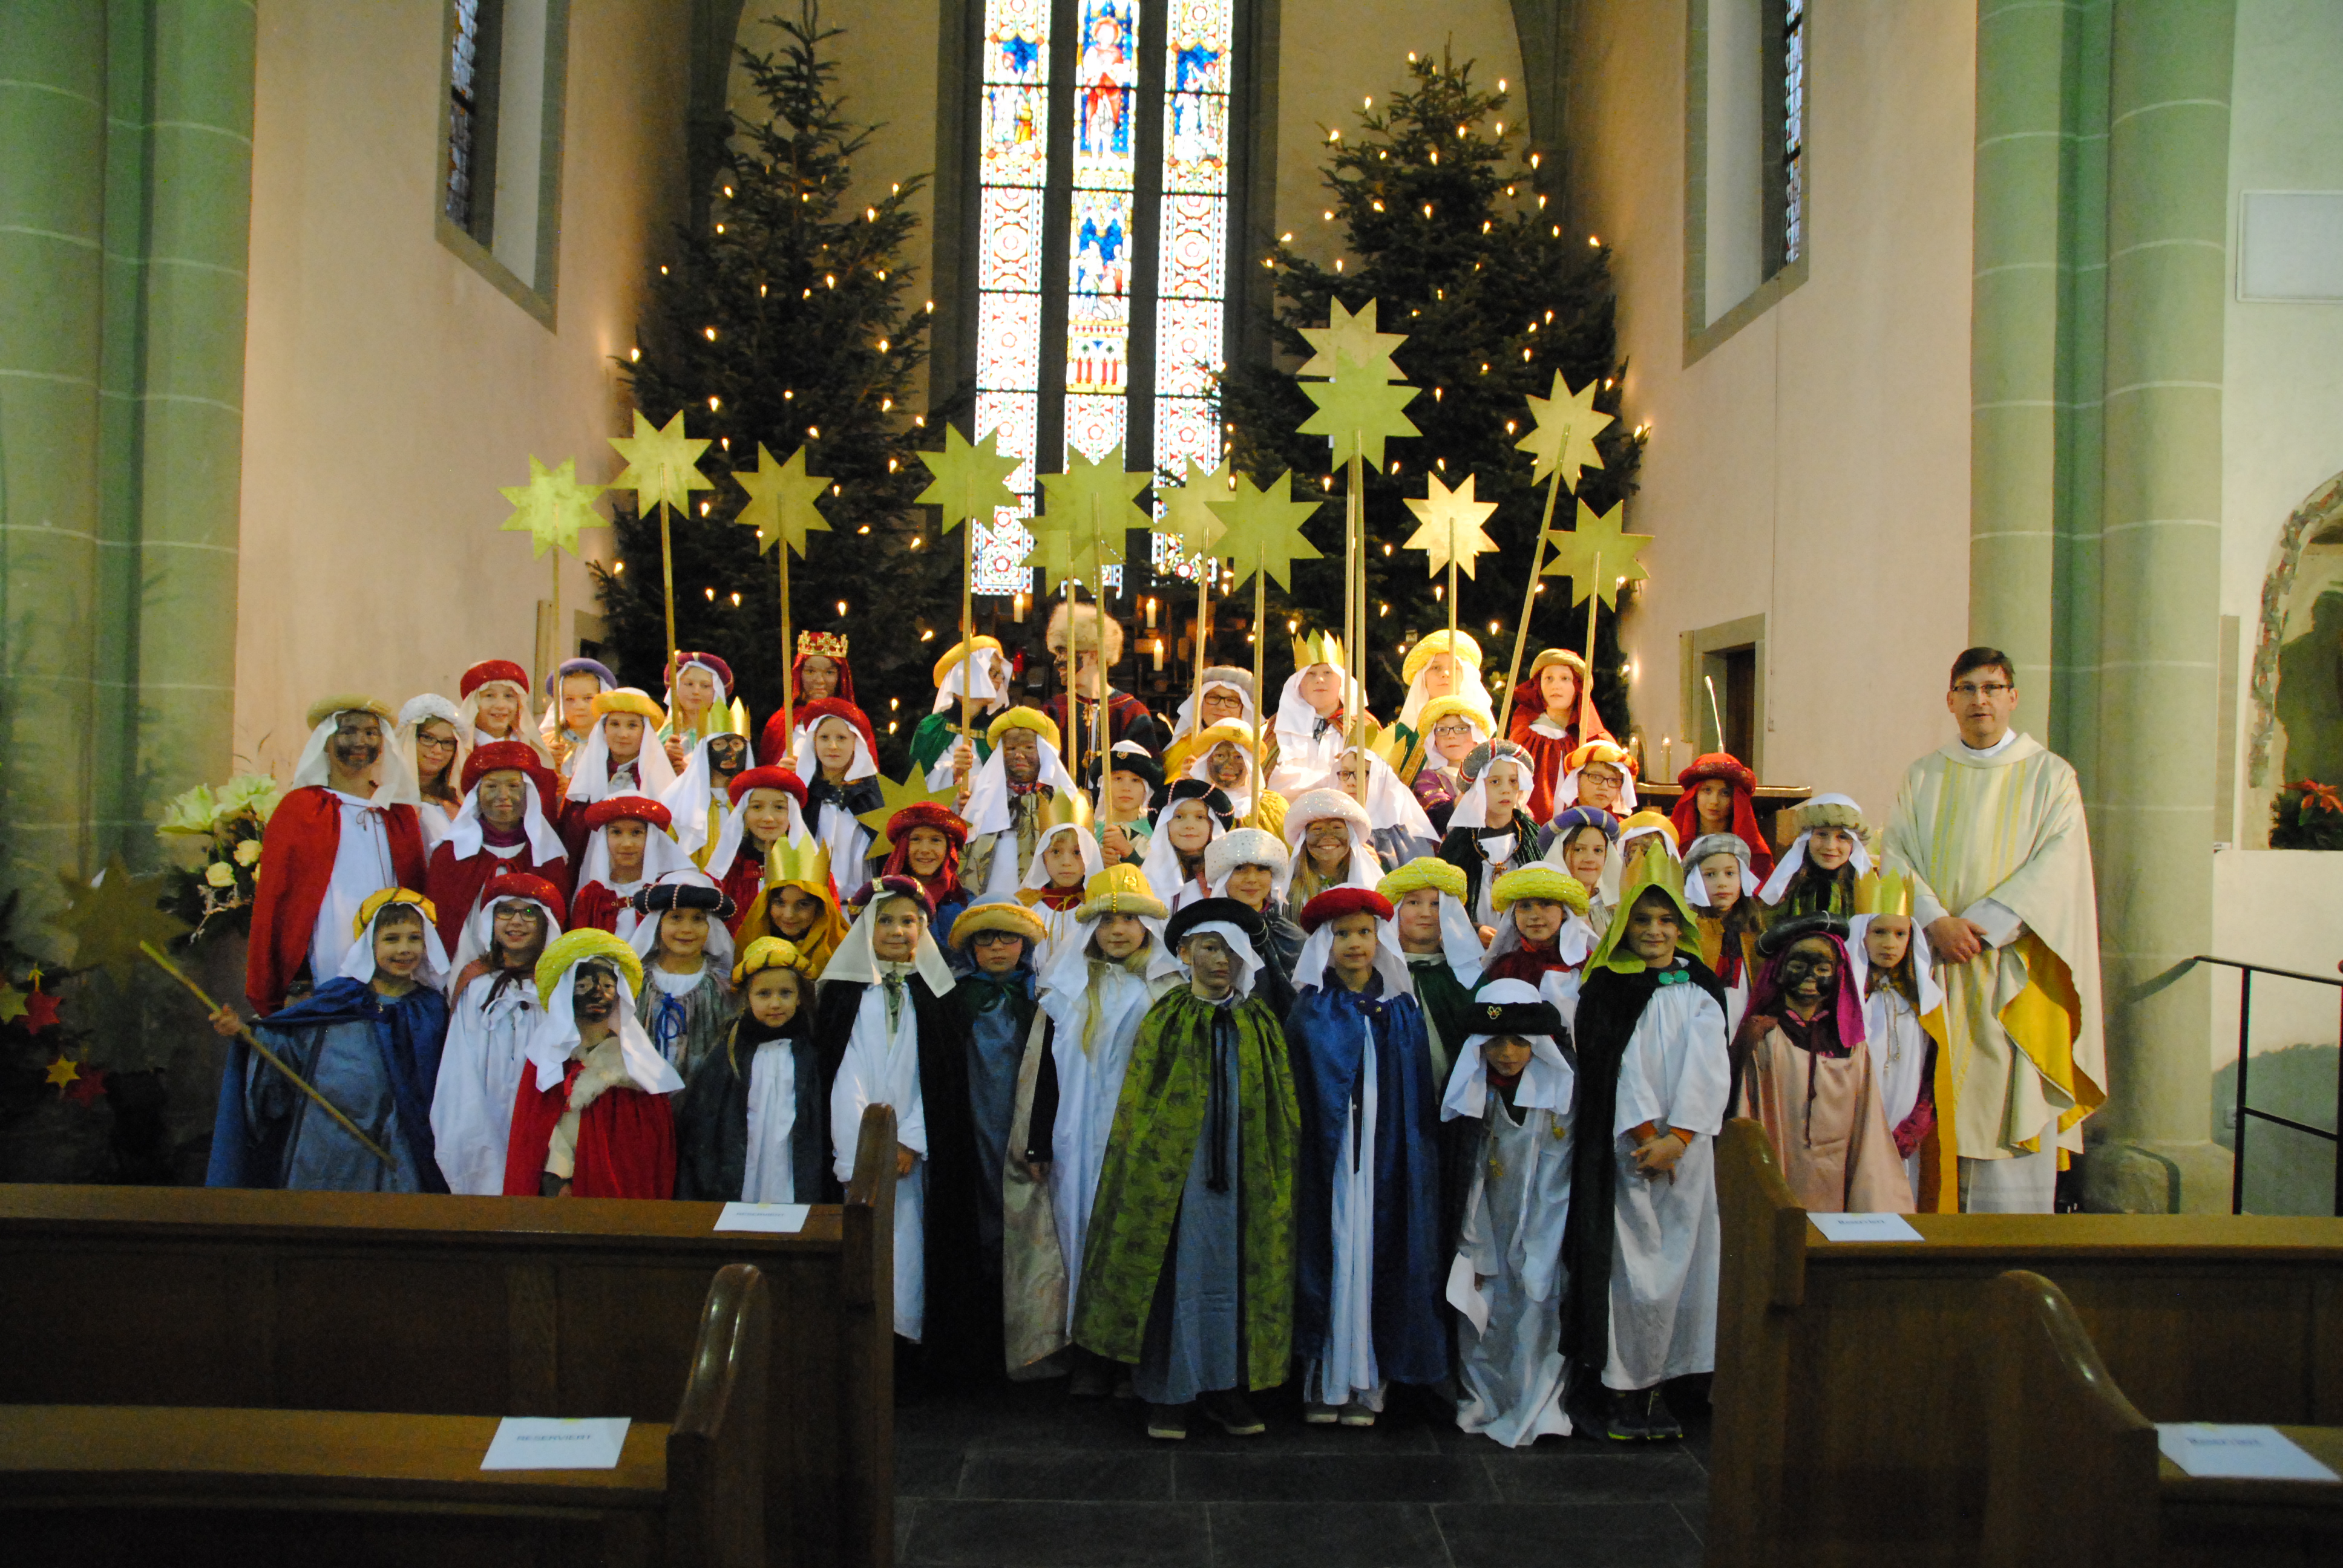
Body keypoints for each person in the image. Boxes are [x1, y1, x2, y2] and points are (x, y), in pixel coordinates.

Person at [1879, 647, 2104, 1214]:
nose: (1980, 700)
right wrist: (1936, 922)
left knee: (2011, 1107)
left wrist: (1983, 929)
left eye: (1992, 688)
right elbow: (1896, 853)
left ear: (2012, 697)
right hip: (1936, 967)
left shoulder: (2050, 776)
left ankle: (2010, 1250)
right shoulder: (1923, 776)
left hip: (2015, 970)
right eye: (1968, 689)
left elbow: (2059, 866)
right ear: (1950, 700)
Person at [1073, 898, 1300, 1442]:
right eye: (1210, 948)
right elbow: (1143, 1102)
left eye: (1230, 951)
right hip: (1176, 1177)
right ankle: (1169, 1391)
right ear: (1185, 953)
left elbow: (1278, 1105)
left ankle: (1226, 1387)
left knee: (1235, 1273)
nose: (1221, 961)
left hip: (1242, 1173)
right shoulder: (1167, 1017)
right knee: (1177, 1274)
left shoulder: (1259, 1022)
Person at [1562, 853, 1731, 1442]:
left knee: (1686, 1263)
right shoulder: (1607, 987)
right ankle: (1623, 1387)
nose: (1654, 931)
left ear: (1680, 926)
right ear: (1623, 927)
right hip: (1628, 1151)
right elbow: (1612, 1067)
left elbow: (1710, 1066)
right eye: (1642, 921)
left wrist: (1679, 1137)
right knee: (1631, 1271)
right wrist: (1646, 1137)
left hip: (1687, 1153)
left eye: (1665, 921)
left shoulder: (1701, 985)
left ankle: (1671, 1384)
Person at [1285, 887, 1446, 1426]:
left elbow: (1414, 1091)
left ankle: (1369, 1384)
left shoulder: (1400, 1009)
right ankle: (1323, 1379)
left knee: (1379, 1253)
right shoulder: (1311, 1010)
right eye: (1342, 935)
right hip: (1331, 1164)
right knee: (1329, 1252)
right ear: (1324, 945)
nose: (1355, 944)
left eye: (1365, 933)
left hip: (1384, 1158)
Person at [814, 877, 987, 1376]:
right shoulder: (843, 994)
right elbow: (841, 1075)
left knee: (914, 1250)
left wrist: (910, 1140)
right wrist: (862, 1152)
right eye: (885, 920)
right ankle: (861, 1358)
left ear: (923, 928)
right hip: (858, 1154)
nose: (896, 931)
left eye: (908, 921)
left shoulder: (936, 995)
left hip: (916, 1156)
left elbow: (940, 1079)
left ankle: (911, 1355)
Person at [1031, 864, 1173, 1396]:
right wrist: (1038, 1141)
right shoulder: (1066, 989)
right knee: (1080, 1230)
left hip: (1140, 1135)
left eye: (1130, 920)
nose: (1118, 930)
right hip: (1077, 1134)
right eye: (1108, 921)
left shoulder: (1166, 988)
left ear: (1147, 927)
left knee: (1134, 1234)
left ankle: (1132, 1352)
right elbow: (1045, 1072)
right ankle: (1088, 1350)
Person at [208, 887, 451, 1192]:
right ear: (369, 944)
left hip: (405, 1140)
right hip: (332, 1136)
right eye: (391, 939)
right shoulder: (338, 1000)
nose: (405, 949)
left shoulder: (431, 1008)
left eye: (414, 938)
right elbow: (288, 1047)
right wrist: (246, 1034)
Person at [1443, 980, 1578, 1448]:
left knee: (1540, 1311)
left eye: (1520, 1041)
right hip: (1487, 1227)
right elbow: (1466, 1179)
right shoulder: (1471, 1094)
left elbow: (1563, 1171)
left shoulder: (1563, 1092)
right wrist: (1473, 1244)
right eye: (1496, 1042)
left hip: (1548, 1224)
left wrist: (1546, 1239)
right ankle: (1484, 1400)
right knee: (1485, 1315)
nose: (1507, 1053)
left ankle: (1537, 1404)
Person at [245, 696, 428, 1016]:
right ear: (327, 742)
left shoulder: (397, 813)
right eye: (348, 732)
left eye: (370, 733)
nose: (360, 742)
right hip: (326, 951)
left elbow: (416, 890)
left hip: (392, 956)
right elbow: (277, 898)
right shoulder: (301, 809)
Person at [1732, 913, 1913, 1214]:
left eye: (1822, 969)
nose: (1810, 977)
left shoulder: (1851, 1045)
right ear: (1779, 971)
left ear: (1838, 975)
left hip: (1836, 1180)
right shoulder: (1764, 1037)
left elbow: (1867, 1124)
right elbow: (1745, 1113)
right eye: (1798, 966)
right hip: (1781, 1168)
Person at [945, 900, 1057, 1371]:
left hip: (1025, 1120)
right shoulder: (956, 998)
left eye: (1008, 938)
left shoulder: (1041, 995)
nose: (996, 948)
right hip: (974, 1119)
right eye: (985, 939)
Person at [503, 929, 681, 1199]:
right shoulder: (547, 1061)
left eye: (608, 987)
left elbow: (646, 1155)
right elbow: (532, 1138)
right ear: (566, 994)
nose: (598, 994)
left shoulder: (639, 1071)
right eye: (583, 986)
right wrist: (556, 1176)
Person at [433, 874, 563, 1195]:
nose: (516, 922)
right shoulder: (476, 984)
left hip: (542, 1118)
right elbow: (459, 1066)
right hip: (482, 1111)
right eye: (506, 911)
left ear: (546, 923)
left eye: (529, 912)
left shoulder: (560, 986)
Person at [675, 936, 829, 1204]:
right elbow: (704, 1126)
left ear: (800, 998)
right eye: (764, 994)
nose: (775, 1004)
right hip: (741, 1171)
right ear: (747, 998)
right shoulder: (728, 1054)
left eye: (785, 993)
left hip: (791, 1169)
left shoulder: (813, 1054)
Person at [423, 740, 572, 950]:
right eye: (492, 786)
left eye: (513, 786)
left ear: (528, 793)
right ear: (477, 794)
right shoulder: (450, 855)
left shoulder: (547, 857)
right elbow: (443, 928)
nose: (503, 796)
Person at [1848, 871, 1941, 1203]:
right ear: (1861, 933)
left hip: (1904, 1132)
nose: (1890, 943)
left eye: (1900, 934)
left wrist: (1914, 1127)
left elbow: (1932, 1071)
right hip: (1854, 1129)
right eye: (1879, 932)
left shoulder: (1923, 1001)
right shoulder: (1849, 997)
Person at [1376, 857, 1486, 1090]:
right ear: (1397, 909)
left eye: (1436, 904)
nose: (1425, 913)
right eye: (1414, 902)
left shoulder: (1465, 978)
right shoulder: (1380, 975)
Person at [958, 706, 1083, 900]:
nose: (1019, 755)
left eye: (1028, 748)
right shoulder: (983, 795)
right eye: (1011, 749)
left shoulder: (1059, 800)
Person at [629, 875, 738, 1082]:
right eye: (676, 918)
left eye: (698, 919)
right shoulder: (634, 981)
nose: (687, 929)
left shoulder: (724, 985)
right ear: (658, 924)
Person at [1435, 742, 1547, 930]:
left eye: (1513, 781)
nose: (1506, 790)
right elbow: (1447, 904)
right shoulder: (1460, 842)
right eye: (1495, 782)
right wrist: (1475, 930)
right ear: (1478, 787)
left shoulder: (1532, 836)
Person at [560, 688, 679, 859]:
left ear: (645, 731)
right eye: (615, 724)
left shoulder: (660, 781)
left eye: (632, 725)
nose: (623, 734)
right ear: (604, 729)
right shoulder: (585, 781)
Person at [1198, 826, 1302, 1016]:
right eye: (1240, 869)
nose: (1252, 879)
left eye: (1261, 869)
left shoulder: (1293, 937)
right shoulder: (1206, 935)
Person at [1044, 599, 1164, 759]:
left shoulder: (1131, 712)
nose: (1057, 662)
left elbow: (1149, 771)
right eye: (1057, 653)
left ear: (1094, 655)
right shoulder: (1052, 711)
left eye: (1064, 652)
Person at [1507, 648, 1612, 823]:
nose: (1556, 686)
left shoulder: (1596, 742)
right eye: (1549, 678)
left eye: (1565, 679)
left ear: (1578, 686)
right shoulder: (1525, 737)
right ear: (1539, 686)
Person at [1480, 864, 1598, 1018]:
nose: (1535, 915)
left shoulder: (1586, 968)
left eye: (1546, 904)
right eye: (1525, 906)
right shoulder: (1505, 969)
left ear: (1564, 912)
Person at [568, 795, 693, 939]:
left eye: (636, 833)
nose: (627, 843)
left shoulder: (671, 891)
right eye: (616, 832)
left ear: (651, 837)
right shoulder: (591, 896)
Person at [703, 766, 808, 933]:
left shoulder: (810, 865)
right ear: (744, 813)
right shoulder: (727, 869)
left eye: (779, 808)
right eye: (757, 807)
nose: (768, 818)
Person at [789, 699, 884, 883]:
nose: (833, 746)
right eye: (824, 738)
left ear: (855, 742)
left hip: (864, 895)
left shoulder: (872, 795)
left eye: (841, 738)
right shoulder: (804, 795)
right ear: (814, 742)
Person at [1267, 633, 1372, 797]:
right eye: (1311, 673)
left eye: (1328, 673)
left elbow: (1374, 779)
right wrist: (1332, 779)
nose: (1320, 679)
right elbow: (1269, 777)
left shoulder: (1362, 726)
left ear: (1341, 680)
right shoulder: (1280, 725)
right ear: (1299, 683)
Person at [1386, 629, 1496, 786]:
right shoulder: (1403, 736)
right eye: (1436, 668)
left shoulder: (1485, 732)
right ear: (1423, 677)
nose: (1445, 674)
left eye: (1453, 667)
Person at [1682, 832, 1761, 1036]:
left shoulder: (1751, 928)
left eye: (1730, 873)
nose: (1722, 883)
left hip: (1742, 1017)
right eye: (1710, 875)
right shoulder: (1688, 929)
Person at [739, 835, 850, 975]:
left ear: (820, 907)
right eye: (780, 903)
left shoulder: (844, 952)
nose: (789, 915)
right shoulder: (749, 942)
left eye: (803, 904)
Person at [913, 635, 1010, 788]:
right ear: (966, 675)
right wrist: (953, 772)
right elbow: (916, 785)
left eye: (1000, 674)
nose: (999, 681)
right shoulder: (932, 727)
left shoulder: (995, 732)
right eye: (992, 673)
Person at [872, 802, 973, 947]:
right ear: (903, 847)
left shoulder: (967, 906)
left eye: (936, 840)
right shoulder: (878, 900)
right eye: (916, 839)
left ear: (948, 850)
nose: (925, 849)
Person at [1755, 794, 1871, 921]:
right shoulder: (1787, 890)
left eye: (1842, 837)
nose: (1830, 846)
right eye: (1822, 834)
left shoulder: (1863, 892)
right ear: (1807, 838)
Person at [756, 629, 861, 765]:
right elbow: (764, 771)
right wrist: (778, 772)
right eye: (811, 671)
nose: (820, 680)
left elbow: (865, 772)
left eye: (829, 672)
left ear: (840, 677)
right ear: (799, 674)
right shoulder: (781, 722)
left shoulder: (854, 722)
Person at [1017, 797, 1103, 960]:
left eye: (1077, 852)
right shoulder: (1026, 908)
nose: (1066, 862)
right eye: (1056, 852)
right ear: (1043, 857)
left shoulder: (1098, 909)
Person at [1668, 752, 1775, 882]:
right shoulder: (1674, 846)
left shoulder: (1754, 855)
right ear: (1695, 794)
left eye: (1725, 793)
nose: (1715, 801)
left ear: (1736, 799)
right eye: (1707, 790)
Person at [1173, 717, 1288, 835]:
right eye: (1220, 756)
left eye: (1238, 757)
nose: (1228, 765)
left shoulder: (1271, 807)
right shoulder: (1188, 805)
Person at [1330, 745, 1439, 867]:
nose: (1350, 783)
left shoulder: (1401, 834)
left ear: (1381, 779)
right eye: (1345, 774)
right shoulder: (1332, 823)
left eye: (1361, 774)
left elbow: (1418, 873)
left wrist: (1379, 866)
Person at [1281, 787, 1381, 920]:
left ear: (1351, 835)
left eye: (1337, 827)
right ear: (1304, 839)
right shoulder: (1289, 892)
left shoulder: (1370, 883)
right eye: (1317, 829)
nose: (1328, 836)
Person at [1137, 777, 1234, 907]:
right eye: (1179, 817)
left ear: (1212, 825)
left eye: (1200, 817)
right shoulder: (1145, 877)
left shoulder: (1231, 877)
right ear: (1165, 824)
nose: (1189, 825)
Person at [664, 731, 755, 864]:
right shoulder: (678, 797)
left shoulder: (754, 797)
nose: (730, 752)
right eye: (719, 744)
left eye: (736, 744)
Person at [1410, 695, 1494, 836]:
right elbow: (1437, 818)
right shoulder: (1430, 778)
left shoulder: (1493, 774)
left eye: (1461, 729)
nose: (1451, 736)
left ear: (1476, 735)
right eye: (1442, 730)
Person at [396, 694, 464, 846]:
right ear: (409, 739)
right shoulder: (384, 797)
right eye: (428, 738)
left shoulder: (457, 803)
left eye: (447, 742)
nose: (438, 750)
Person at [1545, 805, 1622, 938]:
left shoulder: (1616, 909)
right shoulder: (1549, 908)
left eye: (1598, 850)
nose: (1590, 859)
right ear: (1560, 853)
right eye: (1579, 850)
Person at [456, 659, 549, 765]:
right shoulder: (457, 749)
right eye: (489, 696)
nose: (501, 705)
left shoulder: (533, 752)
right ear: (472, 703)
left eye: (509, 696)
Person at [658, 650, 736, 773]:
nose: (696, 691)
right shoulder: (662, 735)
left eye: (705, 686)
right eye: (689, 684)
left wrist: (688, 774)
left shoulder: (727, 738)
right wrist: (664, 759)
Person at [540, 656, 617, 779]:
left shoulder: (614, 744)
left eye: (588, 698)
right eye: (570, 699)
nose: (579, 707)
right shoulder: (546, 744)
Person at [1095, 743, 1161, 868]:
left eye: (1135, 780)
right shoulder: (1091, 831)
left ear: (1146, 790)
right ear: (1104, 786)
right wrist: (1095, 863)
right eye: (1118, 779)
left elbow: (1160, 876)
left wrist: (1128, 852)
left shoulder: (1158, 834)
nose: (1126, 788)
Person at [1165, 666, 1257, 754]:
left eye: (1232, 700)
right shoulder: (1180, 748)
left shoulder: (1253, 750)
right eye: (1213, 698)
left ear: (1243, 708)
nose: (1221, 707)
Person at [1556, 738, 1637, 818]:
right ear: (1578, 777)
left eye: (1613, 780)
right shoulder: (1560, 824)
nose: (1604, 787)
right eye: (1596, 777)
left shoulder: (1624, 826)